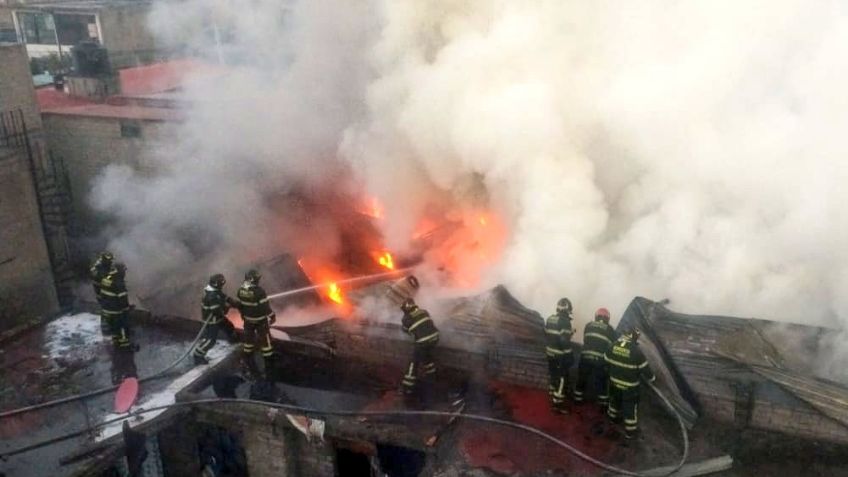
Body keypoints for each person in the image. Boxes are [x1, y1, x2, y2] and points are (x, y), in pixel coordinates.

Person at [604, 329, 655, 439]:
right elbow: (646, 370)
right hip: (630, 387)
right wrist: (652, 378)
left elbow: (606, 361)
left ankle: (612, 419)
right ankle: (630, 432)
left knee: (614, 401)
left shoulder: (613, 345)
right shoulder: (636, 351)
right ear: (634, 337)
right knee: (630, 407)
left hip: (614, 382)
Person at [574, 307, 617, 408]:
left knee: (581, 379)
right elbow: (612, 347)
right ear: (607, 318)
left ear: (596, 316)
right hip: (600, 360)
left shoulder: (588, 325)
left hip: (585, 357)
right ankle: (603, 405)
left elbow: (586, 339)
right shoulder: (610, 329)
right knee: (601, 382)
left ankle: (577, 400)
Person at [194, 273, 239, 365]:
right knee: (211, 340)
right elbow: (217, 311)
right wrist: (227, 308)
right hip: (212, 321)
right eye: (222, 283)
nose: (223, 285)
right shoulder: (212, 296)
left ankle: (233, 339)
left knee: (229, 327)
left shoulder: (215, 291)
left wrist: (235, 303)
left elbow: (224, 297)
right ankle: (198, 355)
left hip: (218, 318)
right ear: (217, 284)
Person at [236, 269, 275, 372]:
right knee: (266, 343)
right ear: (253, 279)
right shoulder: (259, 291)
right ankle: (269, 363)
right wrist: (272, 315)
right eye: (257, 279)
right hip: (260, 322)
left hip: (248, 322)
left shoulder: (240, 290)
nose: (259, 280)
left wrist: (243, 315)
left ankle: (247, 360)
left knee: (248, 341)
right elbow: (265, 307)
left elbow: (240, 306)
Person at [399, 298, 440, 395]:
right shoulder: (424, 311)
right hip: (435, 338)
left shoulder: (406, 319)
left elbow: (406, 330)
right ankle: (431, 376)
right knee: (427, 356)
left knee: (413, 362)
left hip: (423, 341)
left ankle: (407, 387)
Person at [544, 298, 575, 413]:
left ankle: (552, 394)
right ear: (567, 309)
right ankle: (557, 404)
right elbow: (564, 341)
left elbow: (550, 335)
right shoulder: (565, 322)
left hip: (550, 353)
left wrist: (568, 334)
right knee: (563, 379)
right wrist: (569, 354)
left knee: (553, 376)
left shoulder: (550, 318)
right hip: (559, 356)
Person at [99, 262, 134, 349]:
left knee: (114, 327)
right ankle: (125, 345)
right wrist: (127, 308)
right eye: (124, 271)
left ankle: (116, 341)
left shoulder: (106, 278)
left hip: (106, 309)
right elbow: (122, 299)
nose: (125, 273)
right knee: (123, 325)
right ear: (120, 271)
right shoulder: (119, 282)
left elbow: (103, 293)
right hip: (116, 310)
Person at [89, 251, 115, 334]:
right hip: (102, 294)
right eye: (109, 260)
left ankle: (110, 326)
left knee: (109, 309)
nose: (111, 262)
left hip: (105, 293)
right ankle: (106, 329)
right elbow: (104, 281)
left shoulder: (103, 266)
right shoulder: (98, 270)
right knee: (106, 310)